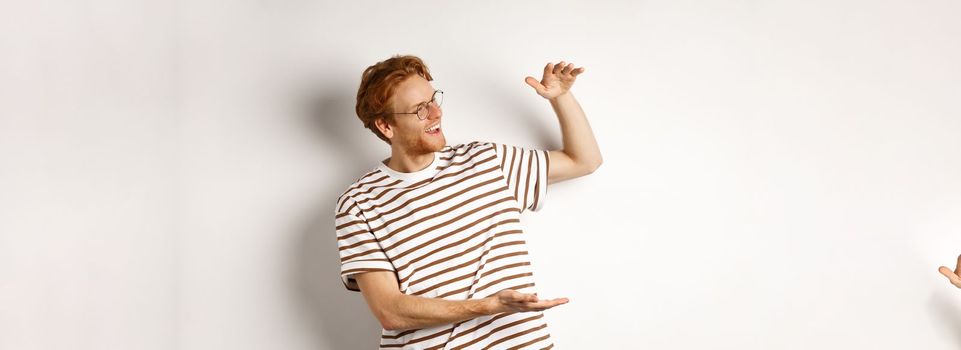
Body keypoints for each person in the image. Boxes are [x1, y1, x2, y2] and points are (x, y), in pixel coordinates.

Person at [334, 54, 601, 349]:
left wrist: (561, 97)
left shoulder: (486, 161)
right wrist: (490, 305)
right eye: (420, 110)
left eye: (434, 99)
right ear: (386, 126)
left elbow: (584, 161)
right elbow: (390, 311)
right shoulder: (359, 204)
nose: (436, 113)